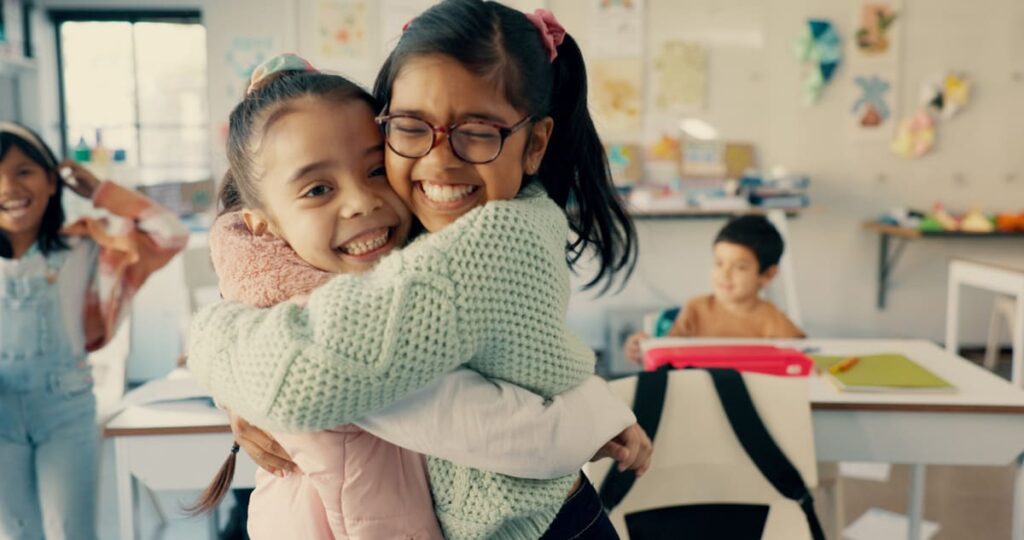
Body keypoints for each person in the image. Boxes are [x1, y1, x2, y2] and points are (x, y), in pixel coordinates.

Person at [187, 2, 645, 537]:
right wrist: (241, 394)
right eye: (410, 128)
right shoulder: (423, 228)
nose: (438, 159)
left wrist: (212, 343)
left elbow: (309, 381)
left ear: (534, 144)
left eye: (477, 130)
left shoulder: (487, 243)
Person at [0, 122, 188, 539]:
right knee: (15, 532)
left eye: (23, 171)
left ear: (52, 180)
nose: (8, 185)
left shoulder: (86, 247)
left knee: (71, 532)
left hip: (66, 410)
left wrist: (102, 193)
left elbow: (170, 234)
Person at [624, 214, 805, 364]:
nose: (725, 274)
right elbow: (666, 358)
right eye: (719, 263)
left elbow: (806, 357)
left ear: (768, 275)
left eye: (740, 267)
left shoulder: (772, 320)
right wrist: (641, 349)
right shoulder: (696, 308)